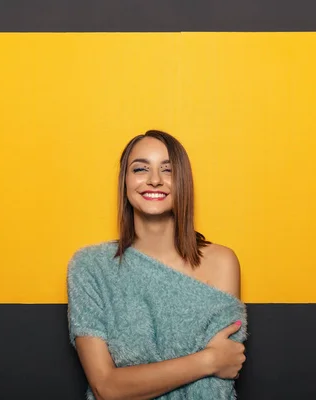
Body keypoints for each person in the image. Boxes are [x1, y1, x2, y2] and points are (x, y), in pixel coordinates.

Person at [67, 130, 247, 399]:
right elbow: (105, 387)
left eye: (168, 170)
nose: (154, 180)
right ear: (125, 182)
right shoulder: (90, 268)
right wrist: (207, 361)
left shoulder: (222, 262)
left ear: (183, 182)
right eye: (140, 169)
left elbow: (217, 385)